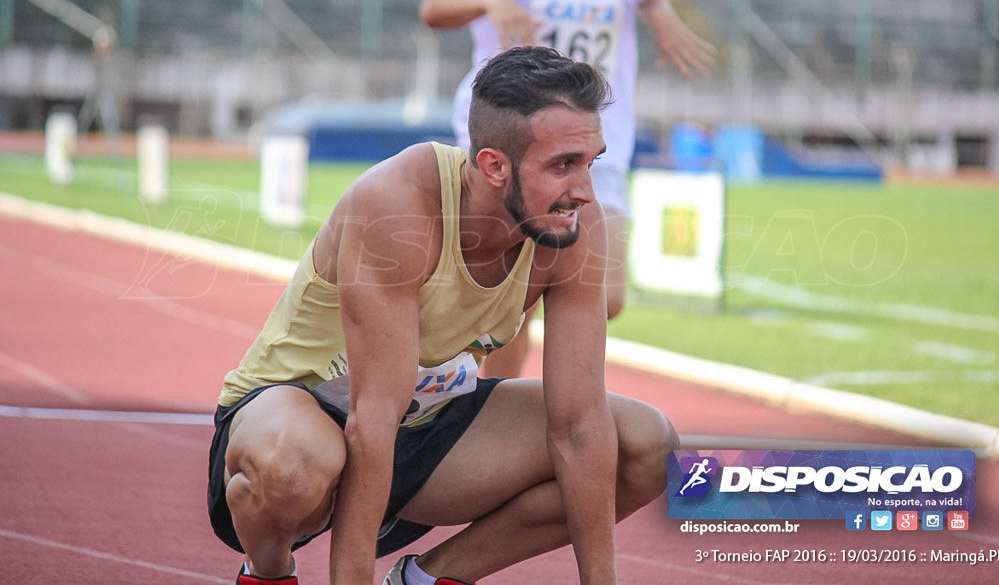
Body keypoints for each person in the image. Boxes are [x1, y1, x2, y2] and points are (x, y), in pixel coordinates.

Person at [207, 47, 680, 585]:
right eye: (564, 165)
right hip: (290, 422)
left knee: (645, 445)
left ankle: (429, 579)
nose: (585, 192)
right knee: (296, 469)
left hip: (421, 425)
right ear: (493, 166)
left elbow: (579, 427)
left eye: (591, 162)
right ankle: (267, 571)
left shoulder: (570, 228)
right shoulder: (399, 203)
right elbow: (372, 416)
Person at [419, 0, 717, 378]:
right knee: (509, 294)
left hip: (597, 137)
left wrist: (660, 16)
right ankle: (483, 415)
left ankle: (508, 398)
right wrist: (490, 1)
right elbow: (434, 6)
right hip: (513, 130)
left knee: (603, 294)